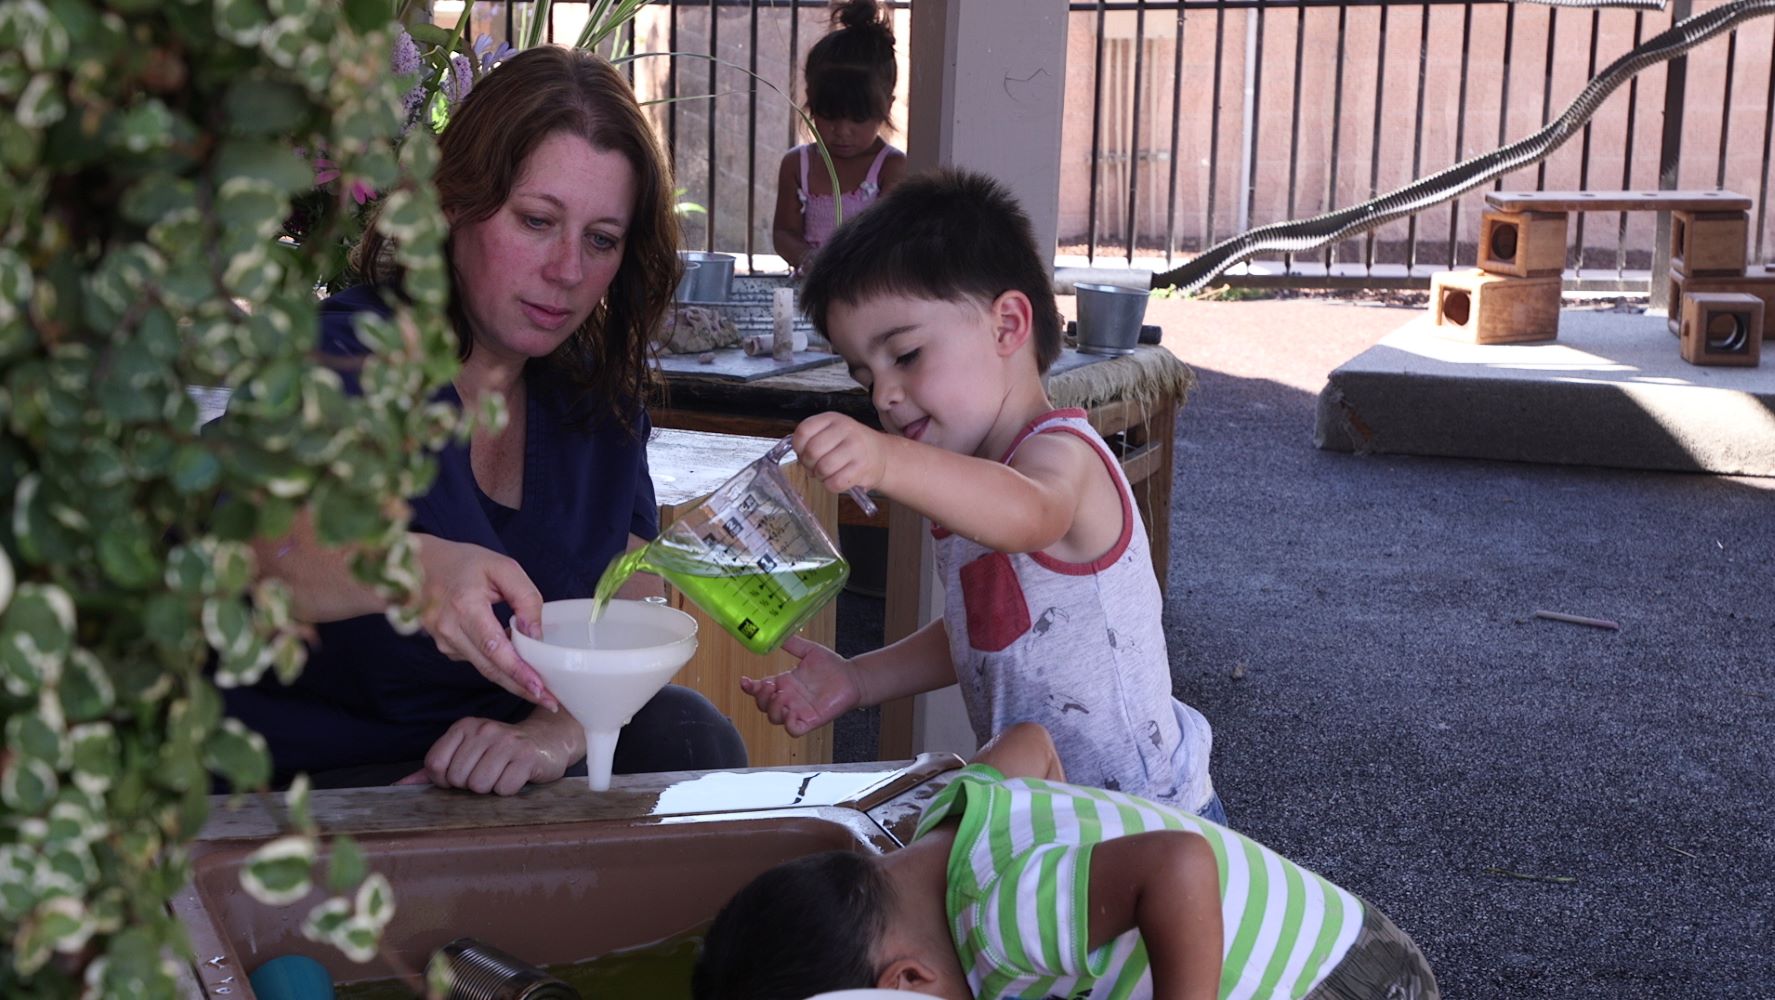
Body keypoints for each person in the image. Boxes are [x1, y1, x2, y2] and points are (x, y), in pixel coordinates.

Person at [222, 47, 746, 795]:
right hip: (321, 783)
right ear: (453, 204)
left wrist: (555, 733)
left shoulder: (595, 395)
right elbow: (266, 548)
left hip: (503, 766)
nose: (567, 269)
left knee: (692, 734)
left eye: (600, 239)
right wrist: (420, 572)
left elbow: (631, 596)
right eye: (537, 221)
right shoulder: (338, 356)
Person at [742, 170, 1220, 820]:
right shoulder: (978, 481)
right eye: (863, 375)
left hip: (1149, 828)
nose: (882, 395)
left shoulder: (1062, 459)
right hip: (1050, 822)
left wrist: (885, 458)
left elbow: (1029, 513)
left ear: (1006, 326)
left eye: (905, 355)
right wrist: (859, 679)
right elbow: (986, 629)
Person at [693, 722, 1440, 1000]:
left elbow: (1178, 866)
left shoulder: (999, 923)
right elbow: (1029, 742)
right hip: (1347, 931)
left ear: (908, 981)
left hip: (1334, 985)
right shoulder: (947, 820)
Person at [771, 0, 907, 273]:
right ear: (811, 103)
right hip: (812, 292)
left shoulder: (892, 168)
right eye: (830, 115)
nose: (843, 131)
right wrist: (807, 257)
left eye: (858, 118)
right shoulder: (797, 165)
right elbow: (784, 233)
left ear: (886, 108)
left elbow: (889, 241)